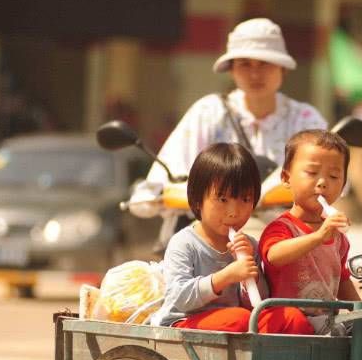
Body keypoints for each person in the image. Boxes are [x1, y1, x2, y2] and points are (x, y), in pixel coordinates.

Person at [129, 18, 328, 224]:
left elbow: (333, 179)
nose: (254, 73)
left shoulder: (306, 120)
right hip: (209, 239)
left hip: (287, 240)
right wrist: (150, 196)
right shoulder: (208, 112)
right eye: (244, 64)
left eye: (265, 64)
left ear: (283, 69)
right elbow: (167, 177)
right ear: (231, 70)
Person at [151, 142, 313, 334]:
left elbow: (257, 302)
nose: (234, 212)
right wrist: (226, 276)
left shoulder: (249, 245)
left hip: (237, 324)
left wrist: (248, 276)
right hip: (185, 323)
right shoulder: (184, 243)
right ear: (197, 199)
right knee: (239, 319)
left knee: (291, 317)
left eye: (245, 200)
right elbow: (181, 298)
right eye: (222, 199)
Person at [259, 129, 360, 334]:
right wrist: (318, 237)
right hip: (288, 325)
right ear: (286, 178)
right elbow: (273, 256)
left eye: (333, 176)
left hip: (326, 322)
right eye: (312, 173)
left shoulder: (338, 238)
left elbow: (341, 280)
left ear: (342, 187)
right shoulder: (282, 227)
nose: (322, 182)